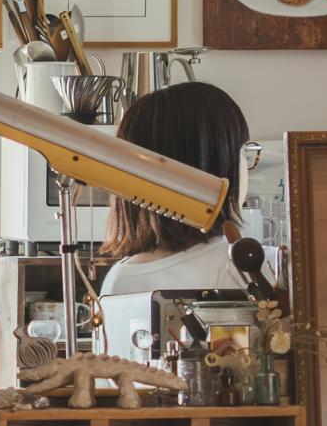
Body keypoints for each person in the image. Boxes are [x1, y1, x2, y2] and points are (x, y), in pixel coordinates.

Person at [99, 80, 251, 295]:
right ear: (216, 164)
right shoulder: (248, 267)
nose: (249, 166)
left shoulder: (119, 280)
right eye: (244, 151)